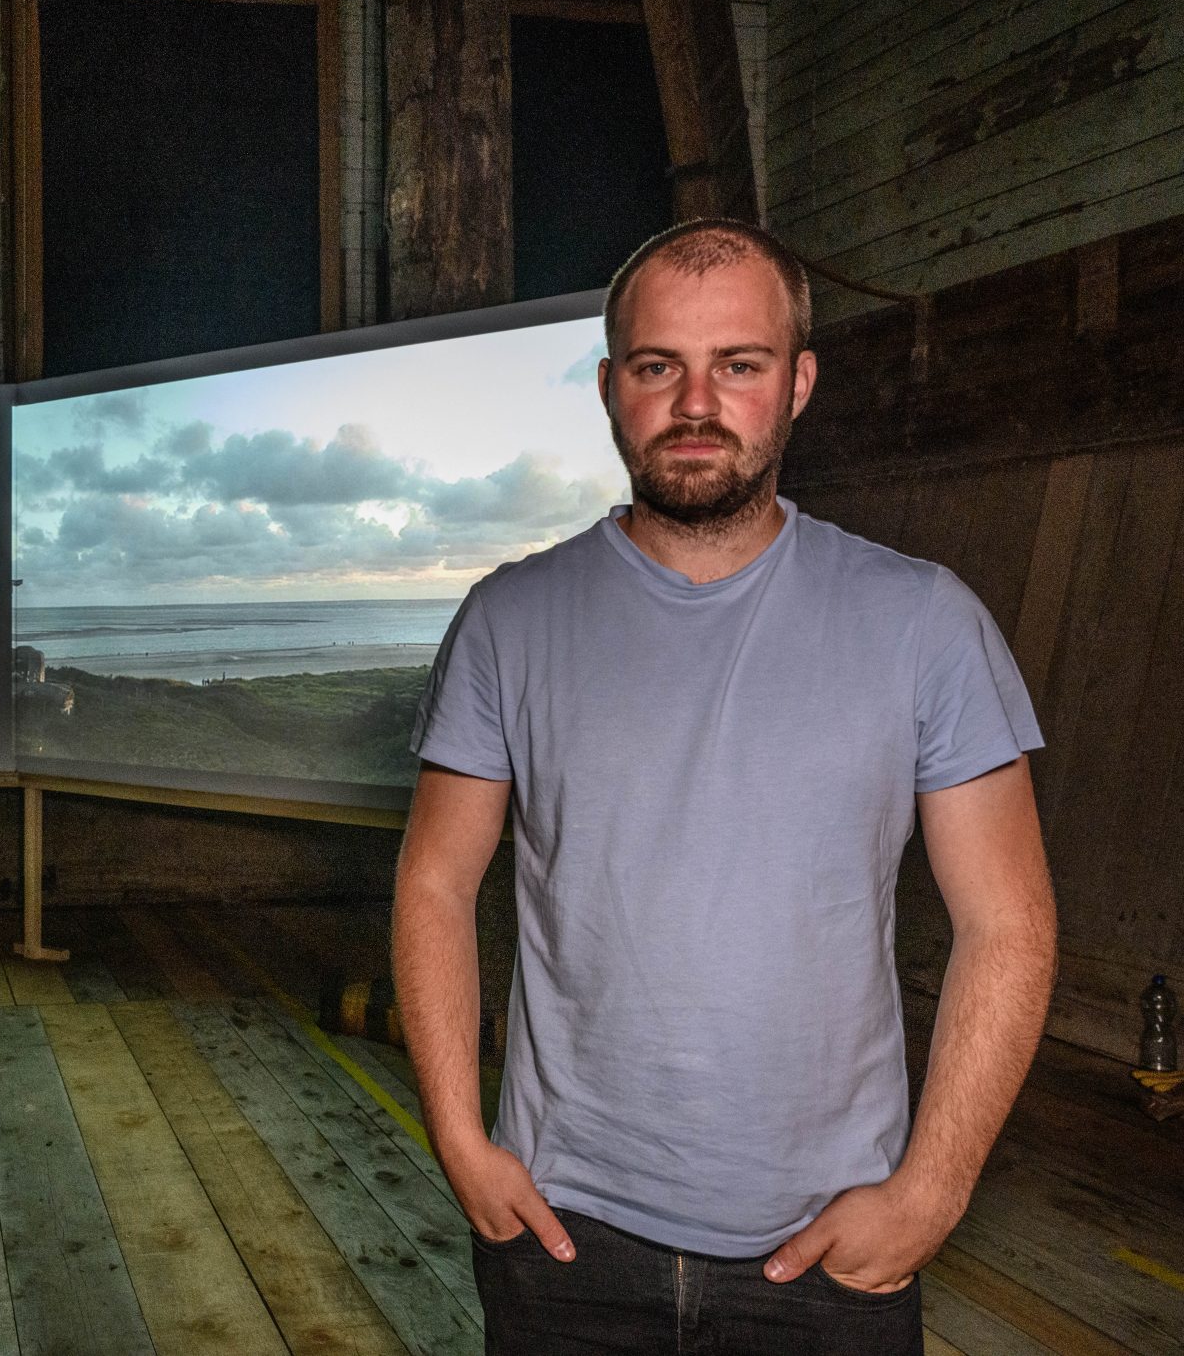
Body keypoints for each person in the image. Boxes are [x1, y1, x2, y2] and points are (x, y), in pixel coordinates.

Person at [392, 218, 1057, 1355]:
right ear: (611, 388)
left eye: (737, 365)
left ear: (797, 383)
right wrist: (459, 1138)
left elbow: (1009, 923)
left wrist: (931, 1191)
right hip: (562, 1236)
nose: (694, 404)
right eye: (659, 366)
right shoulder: (509, 618)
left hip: (829, 1253)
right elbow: (434, 884)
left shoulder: (924, 621)